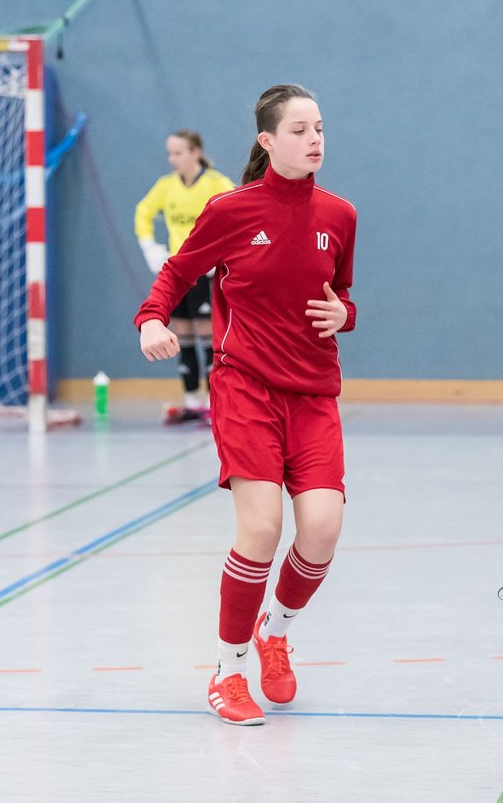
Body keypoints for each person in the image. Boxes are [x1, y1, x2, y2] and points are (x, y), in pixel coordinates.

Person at [134, 84, 357, 726]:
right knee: (260, 531)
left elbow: (342, 296)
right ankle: (228, 673)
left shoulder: (339, 215)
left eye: (319, 126)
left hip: (314, 394)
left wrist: (345, 313)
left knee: (320, 532)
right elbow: (178, 273)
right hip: (245, 388)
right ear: (267, 141)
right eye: (299, 129)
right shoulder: (230, 210)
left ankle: (275, 629)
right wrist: (152, 318)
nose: (315, 139)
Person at [134, 130, 235, 422]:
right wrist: (150, 246)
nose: (172, 159)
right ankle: (192, 401)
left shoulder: (216, 184)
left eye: (178, 153)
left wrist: (222, 255)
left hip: (207, 273)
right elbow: (143, 212)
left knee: (209, 338)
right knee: (183, 338)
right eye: (170, 153)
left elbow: (237, 215)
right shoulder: (166, 186)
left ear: (195, 152)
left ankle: (216, 402)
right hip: (180, 272)